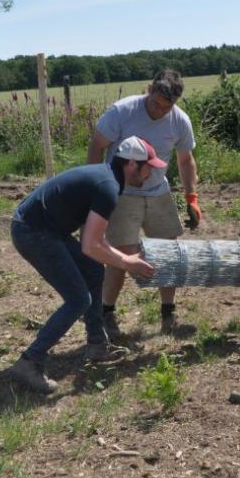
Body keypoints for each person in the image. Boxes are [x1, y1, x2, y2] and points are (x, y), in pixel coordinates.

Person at [7, 136, 167, 394]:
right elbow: (90, 245)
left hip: (44, 228)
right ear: (132, 165)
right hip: (33, 232)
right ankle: (30, 361)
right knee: (78, 299)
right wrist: (127, 262)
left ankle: (97, 344)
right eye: (149, 166)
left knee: (94, 270)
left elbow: (95, 240)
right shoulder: (107, 187)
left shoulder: (107, 179)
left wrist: (124, 260)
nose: (151, 173)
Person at [87, 69, 201, 337]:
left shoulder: (179, 121)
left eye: (167, 106)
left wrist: (191, 197)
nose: (160, 111)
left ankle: (168, 312)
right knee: (120, 256)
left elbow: (185, 161)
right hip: (122, 193)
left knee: (168, 253)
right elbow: (97, 146)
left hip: (158, 192)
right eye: (156, 103)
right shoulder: (122, 111)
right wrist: (95, 188)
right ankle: (107, 313)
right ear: (148, 89)